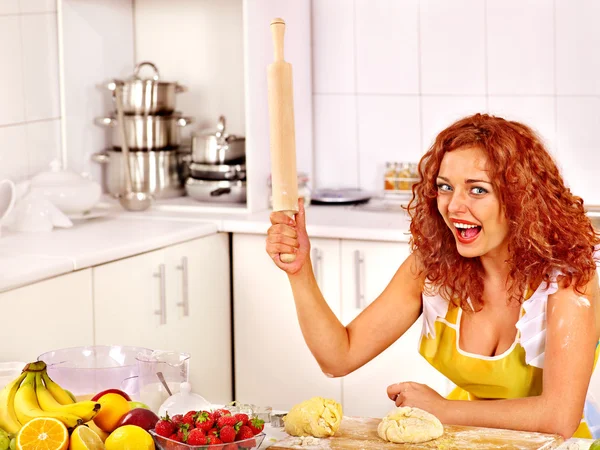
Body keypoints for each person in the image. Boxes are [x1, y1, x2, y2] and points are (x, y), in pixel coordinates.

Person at [265, 113, 600, 439]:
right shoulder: (433, 270)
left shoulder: (568, 281)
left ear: (520, 199)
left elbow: (560, 418)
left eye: (477, 190)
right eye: (445, 187)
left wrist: (443, 410)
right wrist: (300, 270)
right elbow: (338, 356)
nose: (454, 206)